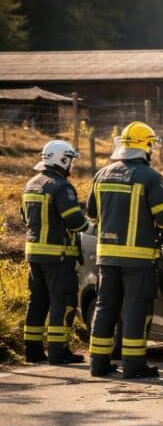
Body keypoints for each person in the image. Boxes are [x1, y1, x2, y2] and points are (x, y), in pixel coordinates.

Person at [87, 122, 163, 378]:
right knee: (136, 308)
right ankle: (134, 366)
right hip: (138, 260)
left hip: (107, 257)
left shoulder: (101, 175)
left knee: (106, 307)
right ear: (146, 146)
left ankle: (98, 364)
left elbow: (91, 213)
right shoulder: (150, 177)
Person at [21, 140, 88, 364]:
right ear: (62, 159)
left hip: (34, 254)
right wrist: (90, 225)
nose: (72, 166)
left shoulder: (31, 184)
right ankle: (59, 352)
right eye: (70, 161)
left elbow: (25, 218)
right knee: (63, 300)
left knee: (37, 300)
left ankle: (32, 351)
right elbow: (76, 222)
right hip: (58, 256)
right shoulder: (61, 187)